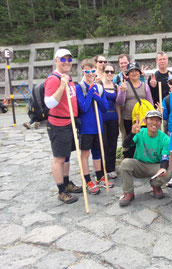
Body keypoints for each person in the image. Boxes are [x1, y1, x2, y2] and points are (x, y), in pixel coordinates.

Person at [44, 48, 82, 204]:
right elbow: (49, 103)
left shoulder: (67, 77)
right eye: (63, 59)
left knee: (66, 156)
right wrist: (61, 86)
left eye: (69, 59)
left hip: (70, 122)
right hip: (58, 123)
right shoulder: (54, 79)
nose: (67, 62)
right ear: (56, 61)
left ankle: (67, 183)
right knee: (59, 158)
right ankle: (61, 191)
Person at [119, 110, 171, 206]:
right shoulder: (139, 133)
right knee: (125, 163)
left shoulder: (165, 138)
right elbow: (126, 144)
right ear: (146, 121)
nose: (154, 123)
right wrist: (132, 133)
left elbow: (165, 157)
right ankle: (128, 193)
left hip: (155, 167)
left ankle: (155, 185)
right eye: (151, 119)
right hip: (140, 164)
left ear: (160, 123)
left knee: (167, 174)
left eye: (157, 120)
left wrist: (163, 168)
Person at [76, 59, 112, 195]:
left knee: (98, 152)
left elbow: (104, 107)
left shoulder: (99, 87)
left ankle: (99, 177)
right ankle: (87, 180)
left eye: (92, 71)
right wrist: (91, 93)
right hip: (86, 127)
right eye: (87, 71)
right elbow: (84, 107)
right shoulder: (79, 87)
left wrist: (96, 95)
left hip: (98, 126)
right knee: (85, 154)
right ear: (83, 71)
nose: (90, 74)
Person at [116, 62, 154, 158]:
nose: (134, 73)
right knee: (131, 141)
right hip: (129, 119)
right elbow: (120, 102)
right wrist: (122, 91)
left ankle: (143, 160)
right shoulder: (124, 85)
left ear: (139, 73)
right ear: (127, 74)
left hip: (143, 120)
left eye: (136, 71)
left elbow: (150, 103)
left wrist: (152, 117)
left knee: (143, 141)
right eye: (131, 71)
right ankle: (131, 161)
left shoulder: (145, 86)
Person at [101, 63, 121, 179]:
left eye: (111, 72)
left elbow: (117, 104)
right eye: (107, 71)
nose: (109, 74)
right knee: (103, 144)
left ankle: (111, 168)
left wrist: (118, 119)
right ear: (103, 72)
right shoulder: (98, 84)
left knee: (113, 144)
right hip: (102, 119)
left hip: (113, 118)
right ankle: (103, 168)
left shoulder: (115, 86)